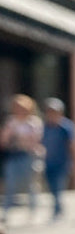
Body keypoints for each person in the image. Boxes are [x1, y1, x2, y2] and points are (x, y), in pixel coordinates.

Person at [1, 94, 43, 222]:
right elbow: (4, 140)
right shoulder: (11, 122)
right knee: (10, 183)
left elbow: (37, 139)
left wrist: (22, 140)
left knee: (31, 185)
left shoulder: (33, 122)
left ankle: (32, 212)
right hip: (15, 155)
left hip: (29, 155)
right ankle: (6, 212)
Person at [41, 98, 75, 220]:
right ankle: (58, 205)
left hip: (62, 161)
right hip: (47, 161)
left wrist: (73, 162)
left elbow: (71, 145)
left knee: (58, 185)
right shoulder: (44, 127)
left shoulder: (66, 127)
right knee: (51, 186)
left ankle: (57, 209)